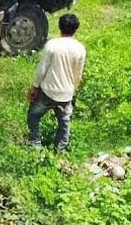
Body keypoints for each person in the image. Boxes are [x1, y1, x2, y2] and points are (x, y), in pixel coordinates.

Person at [27, 13, 86, 151]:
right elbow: (78, 75)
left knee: (34, 116)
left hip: (48, 91)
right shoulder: (80, 49)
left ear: (59, 27)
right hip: (66, 94)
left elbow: (42, 70)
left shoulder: (52, 45)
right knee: (64, 123)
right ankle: (60, 149)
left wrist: (35, 87)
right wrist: (73, 91)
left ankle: (35, 144)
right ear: (75, 29)